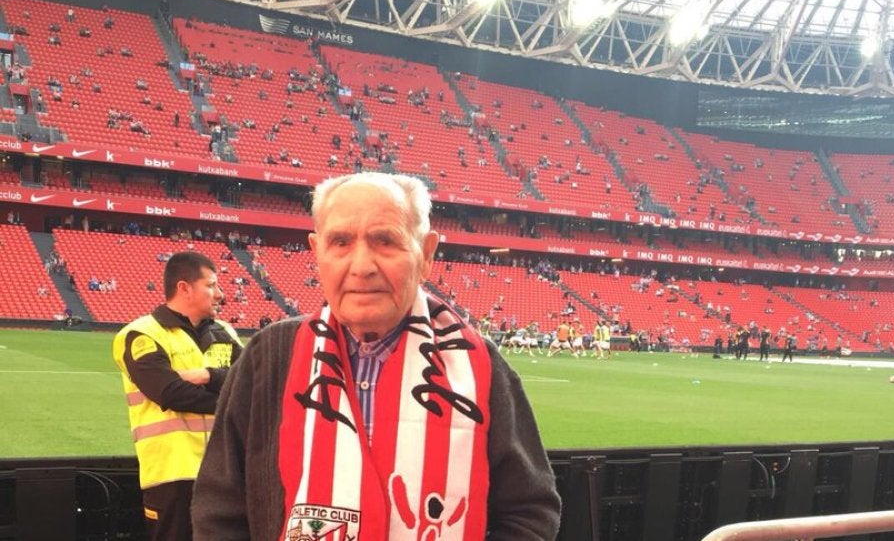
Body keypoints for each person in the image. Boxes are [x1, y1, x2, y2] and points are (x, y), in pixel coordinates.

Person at [192, 173, 560, 539]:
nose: (362, 266)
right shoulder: (268, 357)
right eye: (340, 242)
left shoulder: (480, 365)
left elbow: (529, 512)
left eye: (385, 241)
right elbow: (219, 512)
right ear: (317, 251)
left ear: (426, 254)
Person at [112, 252, 242, 541]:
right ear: (184, 288)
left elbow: (253, 382)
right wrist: (234, 401)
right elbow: (170, 393)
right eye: (211, 285)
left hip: (224, 469)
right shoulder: (141, 334)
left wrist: (210, 375)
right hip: (172, 472)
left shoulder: (226, 333)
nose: (220, 294)